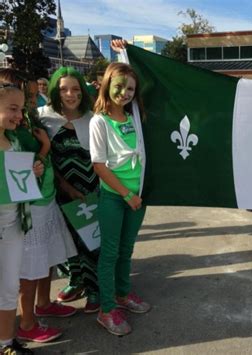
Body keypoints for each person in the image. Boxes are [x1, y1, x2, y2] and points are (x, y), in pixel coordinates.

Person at [0, 69, 78, 344]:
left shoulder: (29, 120)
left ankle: (43, 304)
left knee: (45, 260)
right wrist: (43, 149)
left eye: (33, 96)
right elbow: (23, 168)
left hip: (45, 197)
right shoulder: (16, 132)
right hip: (28, 207)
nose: (32, 103)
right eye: (28, 97)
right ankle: (27, 321)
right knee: (29, 269)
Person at [90, 57, 150, 336]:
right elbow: (99, 165)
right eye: (119, 86)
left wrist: (126, 52)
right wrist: (126, 194)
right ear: (106, 85)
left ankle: (123, 295)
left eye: (130, 89)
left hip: (138, 197)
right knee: (110, 253)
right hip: (116, 198)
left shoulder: (135, 115)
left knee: (127, 250)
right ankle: (106, 309)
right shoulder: (99, 122)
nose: (125, 93)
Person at [39, 67, 101, 313]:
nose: (70, 94)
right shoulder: (43, 116)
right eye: (63, 88)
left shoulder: (93, 117)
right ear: (55, 90)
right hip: (59, 191)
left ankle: (95, 287)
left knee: (91, 242)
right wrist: (64, 187)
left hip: (91, 191)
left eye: (75, 88)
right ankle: (76, 281)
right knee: (66, 242)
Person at [0, 77, 43, 354]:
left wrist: (33, 171)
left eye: (20, 109)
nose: (19, 115)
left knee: (8, 286)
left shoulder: (15, 142)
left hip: (14, 224)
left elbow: (20, 183)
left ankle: (5, 343)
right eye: (12, 109)